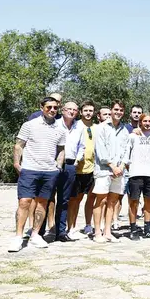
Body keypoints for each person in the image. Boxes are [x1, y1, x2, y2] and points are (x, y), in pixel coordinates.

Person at [8, 97, 67, 252]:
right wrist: (16, 164)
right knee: (24, 202)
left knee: (42, 203)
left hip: (49, 172)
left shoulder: (60, 129)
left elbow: (61, 150)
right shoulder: (29, 125)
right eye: (49, 107)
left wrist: (58, 166)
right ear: (41, 107)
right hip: (30, 169)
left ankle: (35, 235)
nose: (52, 110)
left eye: (55, 107)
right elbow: (19, 145)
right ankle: (18, 237)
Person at [92, 100, 131, 243]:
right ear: (111, 110)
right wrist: (112, 166)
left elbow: (127, 150)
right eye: (116, 109)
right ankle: (97, 232)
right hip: (104, 170)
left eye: (121, 110)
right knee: (101, 200)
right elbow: (100, 149)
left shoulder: (125, 130)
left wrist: (122, 166)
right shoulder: (101, 128)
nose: (118, 112)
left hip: (119, 171)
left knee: (112, 201)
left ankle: (107, 231)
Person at [122, 113, 150, 240]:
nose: (147, 123)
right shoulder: (133, 136)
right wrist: (129, 168)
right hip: (135, 173)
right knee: (134, 202)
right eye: (145, 121)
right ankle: (133, 228)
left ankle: (147, 229)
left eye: (149, 121)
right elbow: (127, 154)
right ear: (140, 122)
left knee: (149, 202)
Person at [51, 101, 80, 242]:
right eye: (69, 109)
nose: (72, 112)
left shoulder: (78, 127)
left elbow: (82, 146)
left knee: (64, 200)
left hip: (70, 165)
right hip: (52, 164)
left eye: (75, 110)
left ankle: (60, 232)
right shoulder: (54, 124)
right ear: (62, 110)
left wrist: (76, 161)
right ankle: (40, 231)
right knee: (47, 198)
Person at [67, 100, 96, 239]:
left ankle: (88, 224)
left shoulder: (96, 127)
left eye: (91, 111)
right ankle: (70, 227)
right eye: (86, 110)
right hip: (77, 169)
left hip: (92, 169)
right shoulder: (75, 125)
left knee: (91, 198)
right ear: (81, 112)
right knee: (75, 200)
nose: (88, 113)